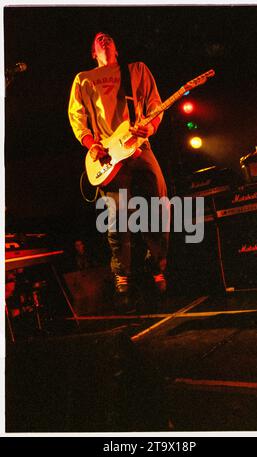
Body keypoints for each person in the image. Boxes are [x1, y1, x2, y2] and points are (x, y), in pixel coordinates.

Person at [68, 32, 169, 301]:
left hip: (139, 146)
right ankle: (121, 273)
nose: (104, 39)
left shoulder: (136, 70)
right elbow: (77, 117)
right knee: (116, 218)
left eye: (109, 37)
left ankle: (156, 264)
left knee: (160, 204)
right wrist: (92, 144)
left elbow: (155, 104)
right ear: (93, 51)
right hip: (107, 155)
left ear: (116, 47)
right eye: (98, 38)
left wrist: (151, 126)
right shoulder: (84, 79)